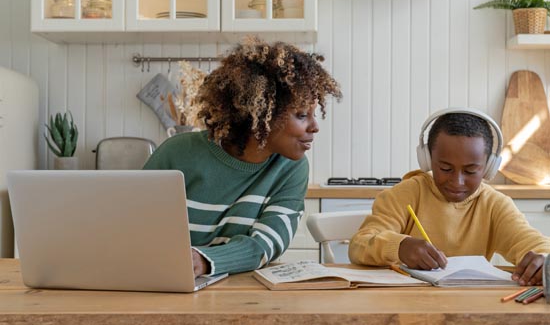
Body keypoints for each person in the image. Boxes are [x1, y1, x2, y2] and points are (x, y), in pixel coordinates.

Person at [144, 37, 342, 277]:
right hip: (164, 283)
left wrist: (205, 261)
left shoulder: (291, 168)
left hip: (240, 293)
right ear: (261, 115)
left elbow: (267, 244)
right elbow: (133, 227)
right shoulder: (176, 154)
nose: (315, 126)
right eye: (302, 115)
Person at [349, 108, 550, 286]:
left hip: (468, 307)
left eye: (470, 171)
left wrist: (544, 258)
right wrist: (399, 247)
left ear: (489, 167)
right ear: (427, 160)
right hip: (405, 305)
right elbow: (359, 245)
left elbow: (531, 241)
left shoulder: (495, 204)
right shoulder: (404, 194)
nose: (457, 181)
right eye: (445, 168)